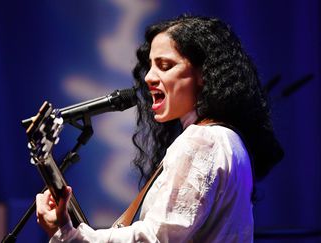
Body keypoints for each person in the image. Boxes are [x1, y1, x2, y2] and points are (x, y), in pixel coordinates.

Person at [35, 14, 284, 242]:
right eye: (150, 65)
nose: (149, 77)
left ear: (203, 74)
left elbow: (156, 238)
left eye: (164, 66)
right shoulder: (227, 138)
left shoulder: (202, 140)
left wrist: (68, 234)